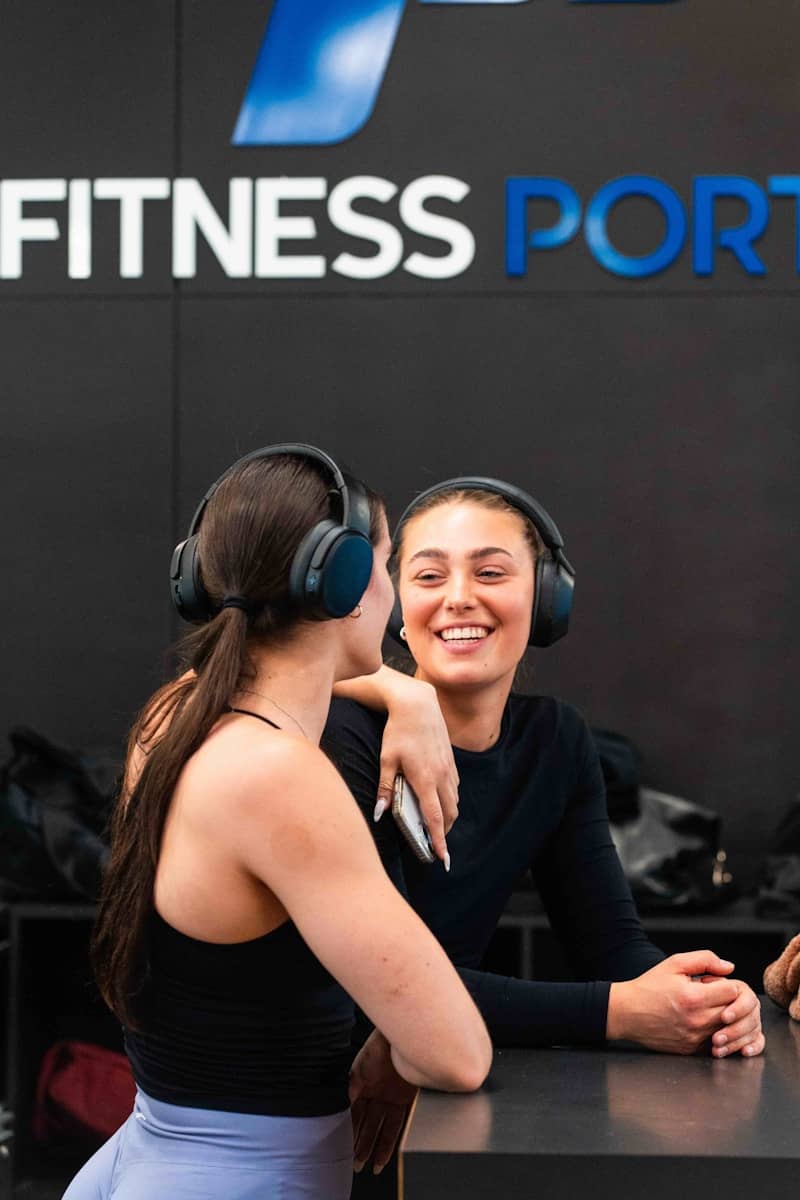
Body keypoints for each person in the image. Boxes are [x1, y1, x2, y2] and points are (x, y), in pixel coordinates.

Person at [63, 446, 491, 1200]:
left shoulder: (175, 717)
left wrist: (409, 696)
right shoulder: (279, 777)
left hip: (145, 1156)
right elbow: (456, 1053)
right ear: (349, 581)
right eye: (388, 568)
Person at [322, 476, 765, 1192]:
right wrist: (622, 1013)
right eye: (429, 575)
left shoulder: (555, 740)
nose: (460, 595)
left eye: (491, 571)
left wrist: (698, 1000)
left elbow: (614, 947)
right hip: (323, 1113)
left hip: (446, 1093)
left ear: (546, 599)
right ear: (396, 605)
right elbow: (378, 994)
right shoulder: (346, 737)